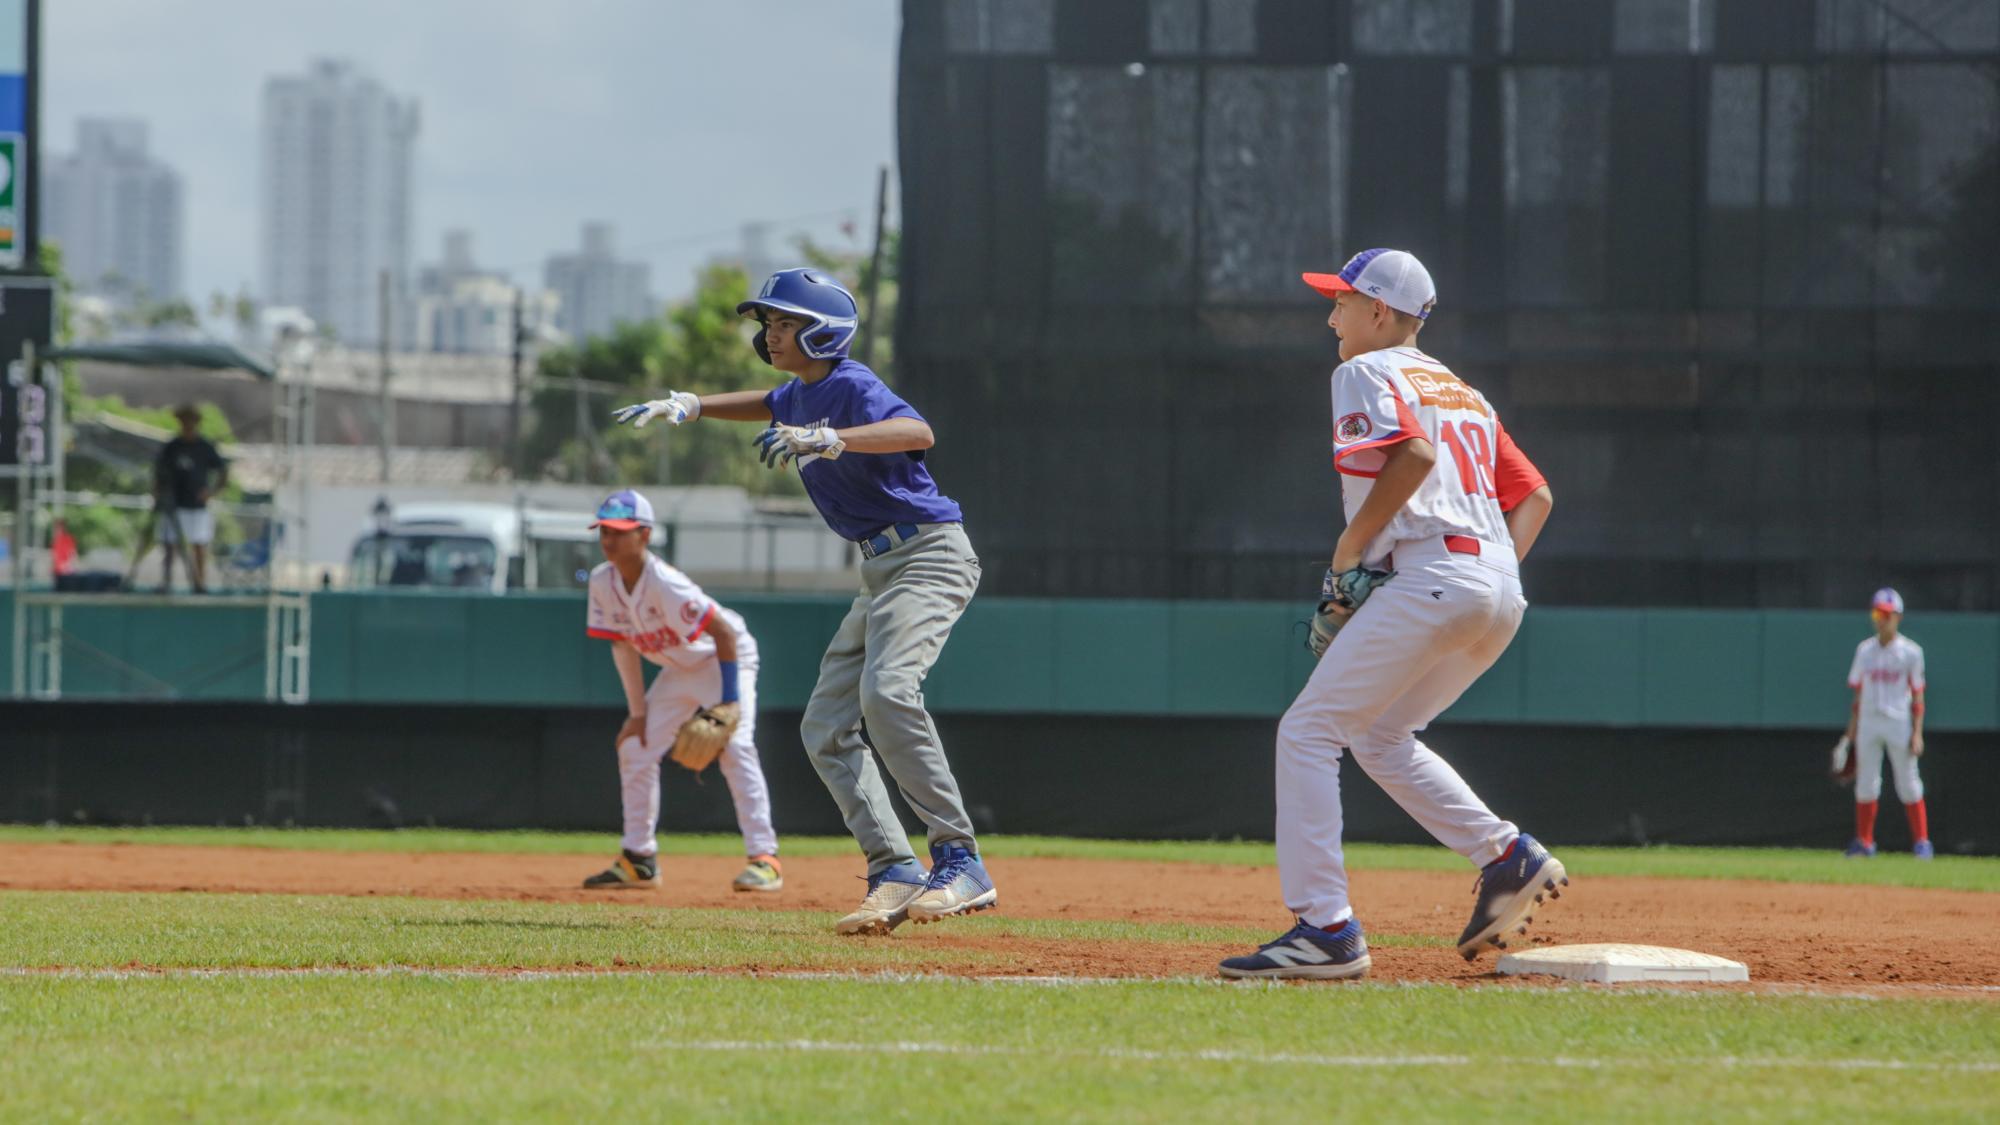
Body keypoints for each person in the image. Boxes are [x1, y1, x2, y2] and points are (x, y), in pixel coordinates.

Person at [1219, 249, 1567, 980]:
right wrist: (1485, 572)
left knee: (1308, 731)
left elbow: (1408, 455)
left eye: (1343, 300)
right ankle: (1507, 855)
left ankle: (1326, 926)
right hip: (1497, 586)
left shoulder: (1364, 370)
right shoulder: (1466, 392)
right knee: (1380, 736)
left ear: (1380, 310)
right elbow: (1534, 495)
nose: (1331, 315)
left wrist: (1348, 556)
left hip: (1437, 576)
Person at [613, 267, 993, 933]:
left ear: (823, 331)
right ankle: (895, 870)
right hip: (879, 568)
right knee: (825, 725)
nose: (771, 332)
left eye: (784, 322)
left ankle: (960, 858)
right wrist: (693, 404)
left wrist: (834, 437)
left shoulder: (850, 385)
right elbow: (768, 401)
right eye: (768, 323)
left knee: (889, 692)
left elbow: (918, 431)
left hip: (928, 552)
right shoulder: (799, 396)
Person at [580, 488, 784, 893]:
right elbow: (622, 648)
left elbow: (723, 634)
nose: (609, 539)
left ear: (645, 535)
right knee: (635, 746)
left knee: (735, 746)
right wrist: (637, 715)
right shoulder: (603, 582)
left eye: (619, 531)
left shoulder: (666, 583)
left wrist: (729, 701)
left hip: (723, 659)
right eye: (604, 530)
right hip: (679, 668)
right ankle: (638, 859)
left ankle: (765, 858)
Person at [1832, 588, 1931, 859]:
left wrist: (1918, 733)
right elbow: (1857, 696)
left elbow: (1918, 695)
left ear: (1897, 616)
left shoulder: (1911, 652)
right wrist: (1848, 737)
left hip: (1899, 722)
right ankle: (1865, 842)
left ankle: (1922, 843)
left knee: (1909, 783)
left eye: (1886, 614)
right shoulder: (1865, 650)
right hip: (1869, 722)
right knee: (1866, 783)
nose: (1880, 619)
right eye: (1877, 613)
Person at [152, 404, 227, 593]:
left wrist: (211, 492)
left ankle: (199, 582)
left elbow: (222, 471)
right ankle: (167, 581)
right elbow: (158, 472)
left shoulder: (205, 447)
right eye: (184, 421)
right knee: (169, 544)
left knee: (199, 544)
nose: (188, 425)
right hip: (173, 503)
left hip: (196, 504)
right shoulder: (172, 447)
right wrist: (158, 494)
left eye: (191, 421)